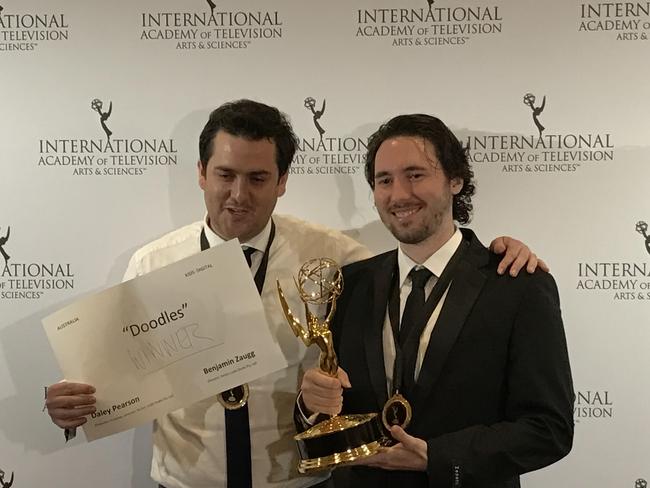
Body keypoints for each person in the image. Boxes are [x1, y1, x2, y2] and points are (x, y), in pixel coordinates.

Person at [45, 100, 544, 488]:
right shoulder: (149, 265)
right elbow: (114, 384)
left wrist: (499, 250)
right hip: (183, 483)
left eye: (258, 178)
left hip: (302, 485)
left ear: (283, 181)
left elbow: (422, 257)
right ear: (201, 173)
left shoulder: (337, 258)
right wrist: (76, 405)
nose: (238, 194)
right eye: (224, 175)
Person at [299, 114, 574, 487]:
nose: (398, 195)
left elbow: (549, 428)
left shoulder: (517, 285)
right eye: (384, 180)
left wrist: (438, 458)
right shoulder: (348, 285)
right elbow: (334, 418)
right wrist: (311, 407)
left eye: (415, 175)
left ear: (455, 180)